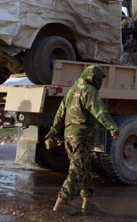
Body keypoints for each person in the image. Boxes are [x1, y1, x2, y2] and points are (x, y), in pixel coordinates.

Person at [45, 65, 119, 215]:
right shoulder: (90, 91)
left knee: (84, 167)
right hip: (82, 137)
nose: (101, 83)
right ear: (94, 78)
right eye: (100, 79)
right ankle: (62, 201)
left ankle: (88, 200)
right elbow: (100, 111)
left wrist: (53, 132)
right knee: (78, 169)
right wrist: (112, 127)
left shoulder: (71, 91)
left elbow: (60, 114)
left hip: (69, 137)